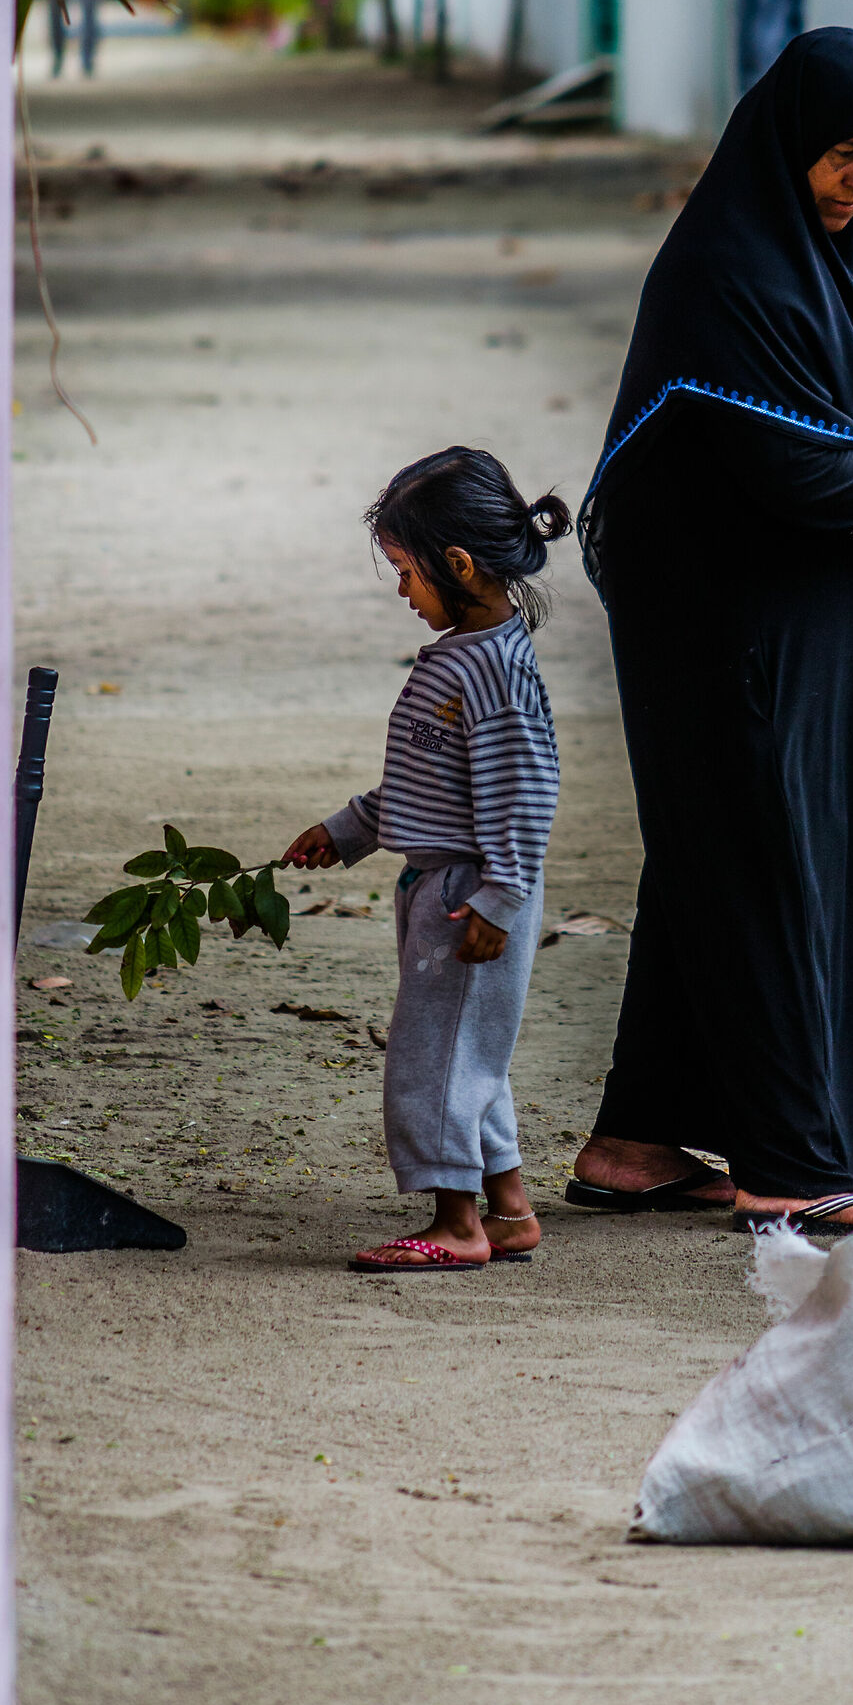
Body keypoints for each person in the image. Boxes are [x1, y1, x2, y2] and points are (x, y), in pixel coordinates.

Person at [570, 27, 853, 1235]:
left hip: (797, 611)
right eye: (840, 161)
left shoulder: (808, 248)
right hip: (725, 620)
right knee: (764, 860)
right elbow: (795, 471)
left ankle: (637, 1141)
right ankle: (793, 1166)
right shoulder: (725, 275)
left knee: (723, 854)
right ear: (779, 151)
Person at [281, 449, 570, 1272]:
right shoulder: (462, 657)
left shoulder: (494, 675)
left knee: (432, 1060)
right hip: (445, 886)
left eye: (405, 572)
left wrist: (499, 899)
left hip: (470, 894)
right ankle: (509, 1210)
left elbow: (524, 796)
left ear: (459, 564)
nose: (404, 593)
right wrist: (346, 830)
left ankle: (457, 1224)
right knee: (466, 1052)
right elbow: (422, 779)